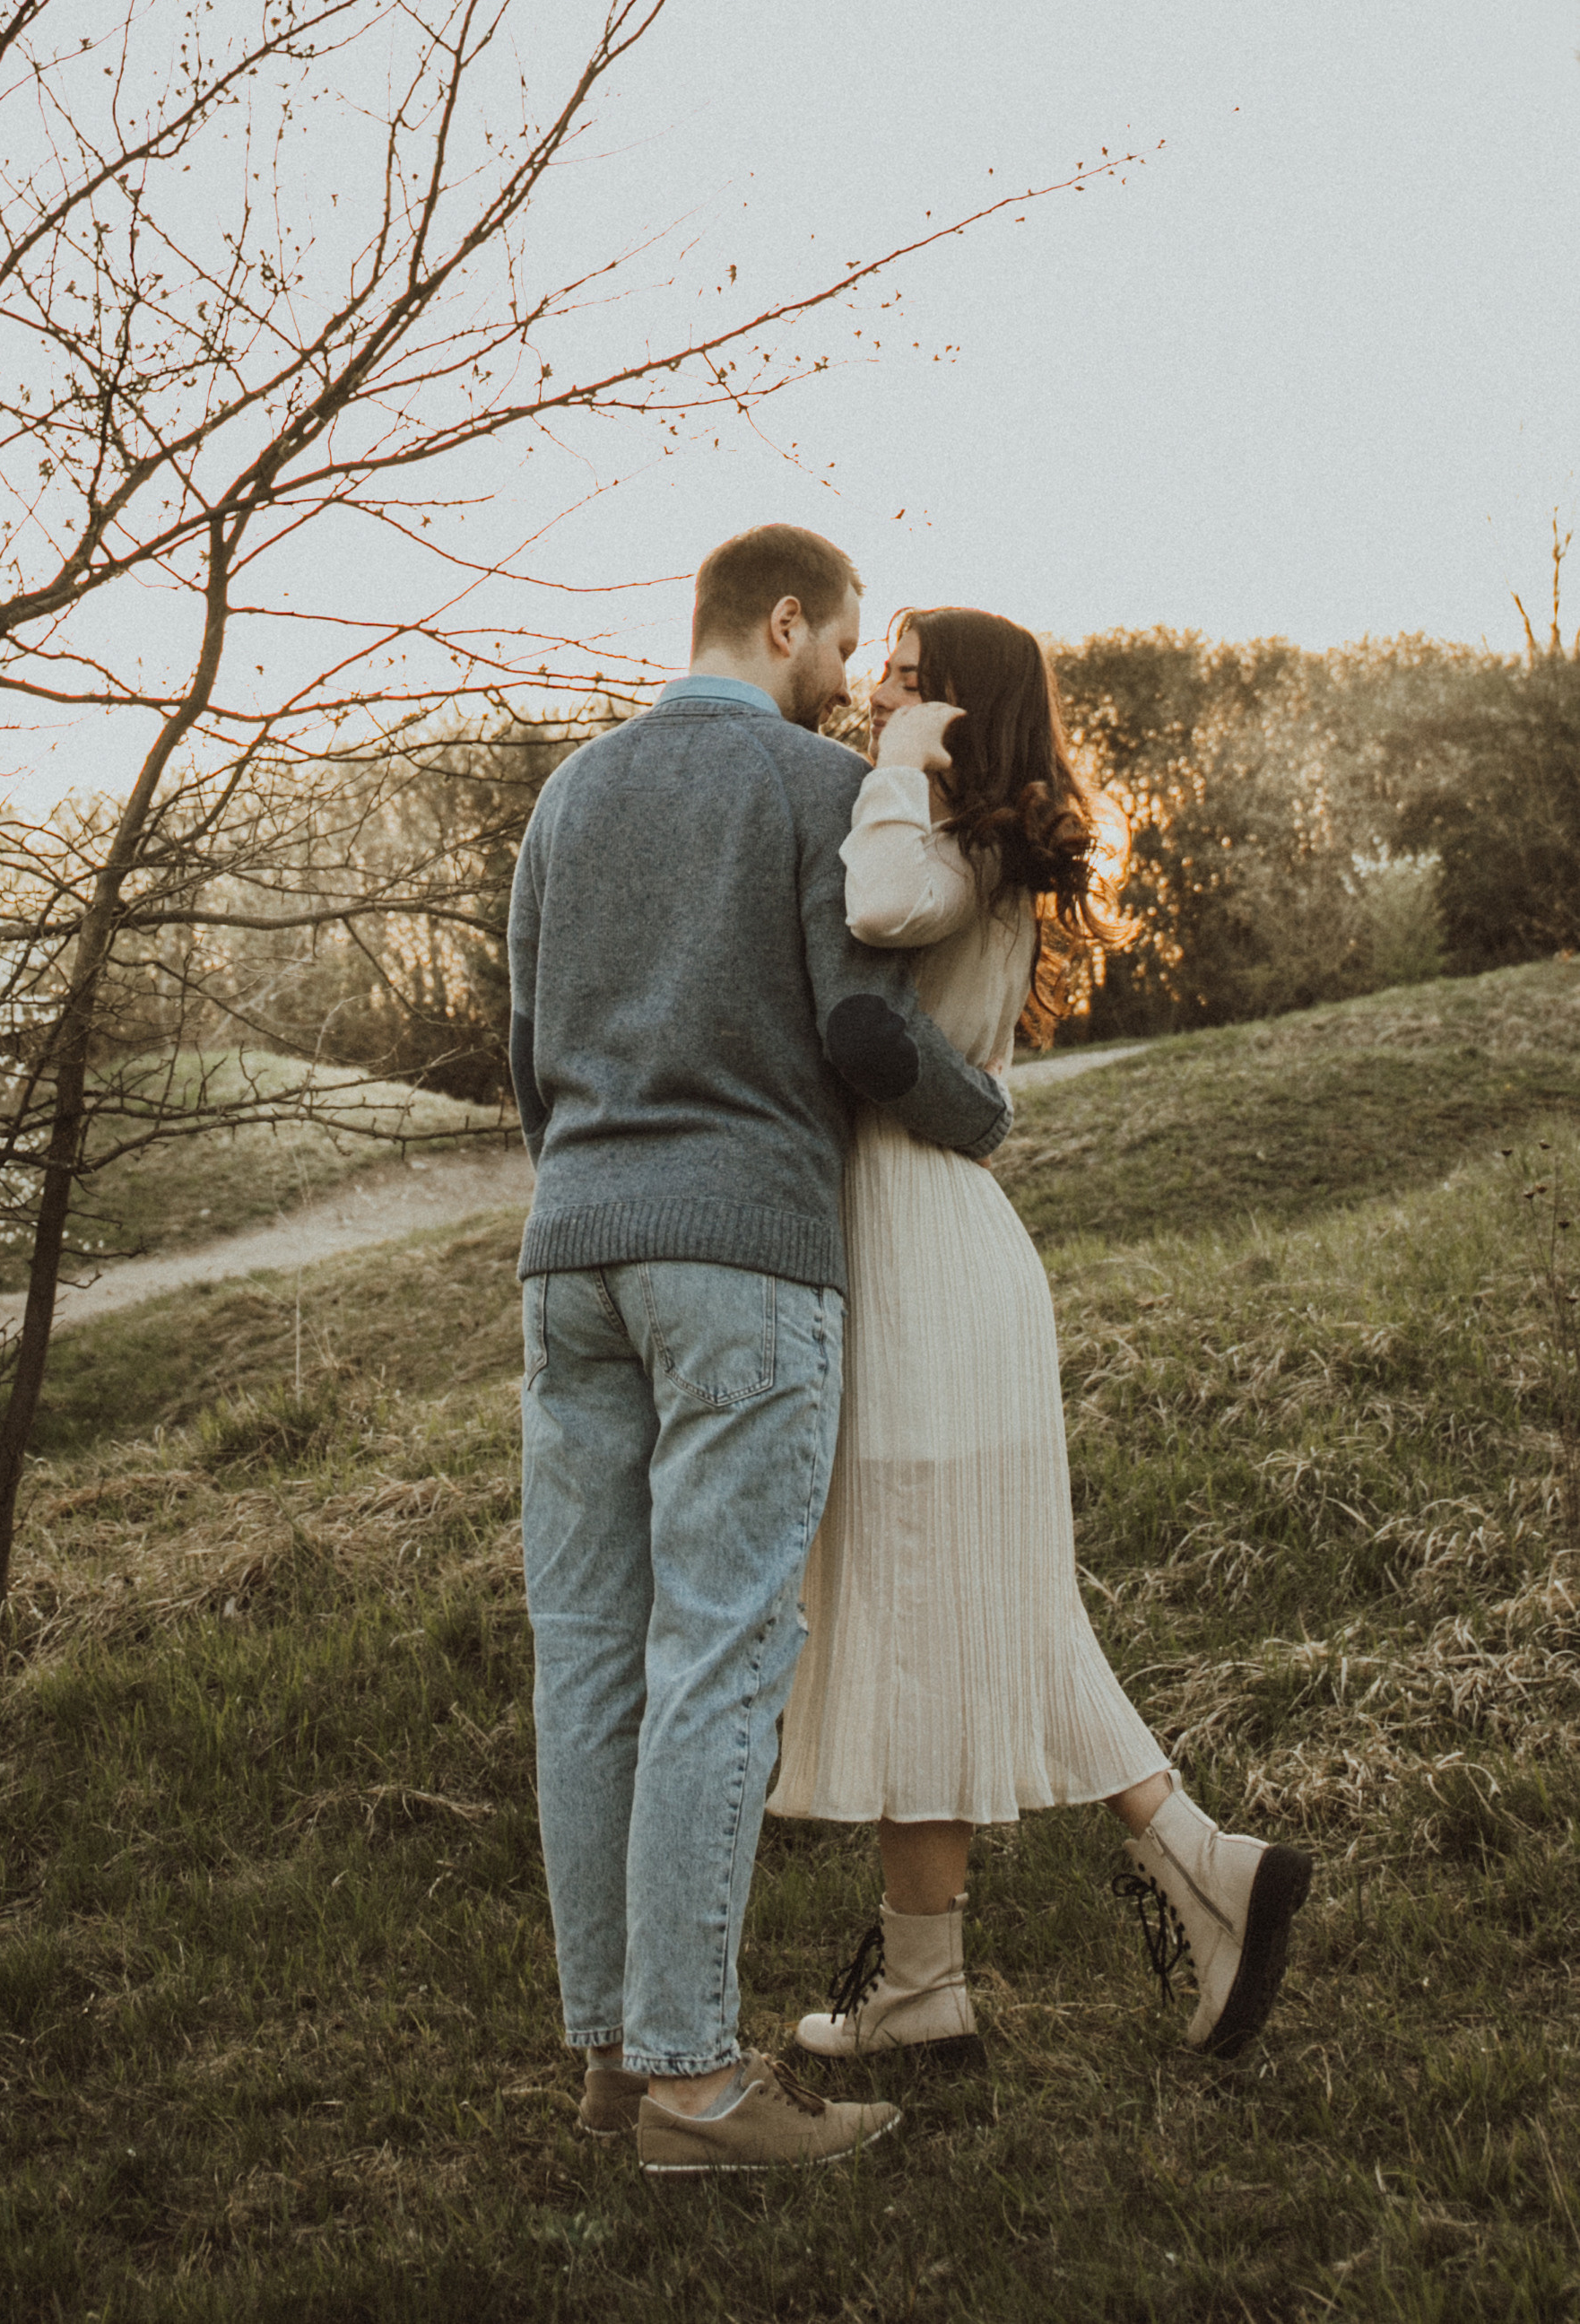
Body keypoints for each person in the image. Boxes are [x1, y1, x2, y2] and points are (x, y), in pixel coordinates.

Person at [508, 523, 1018, 2176]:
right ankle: (694, 2082)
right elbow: (865, 1034)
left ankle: (607, 2055)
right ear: (786, 621)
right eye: (843, 644)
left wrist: (598, 1169)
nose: (852, 681)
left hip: (571, 1255)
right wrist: (984, 1108)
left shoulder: (570, 793)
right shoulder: (812, 790)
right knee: (719, 1656)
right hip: (739, 1260)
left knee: (587, 1655)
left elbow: (528, 1054)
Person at [771, 608, 1313, 2076]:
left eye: (902, 667)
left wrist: (892, 755)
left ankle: (953, 1977)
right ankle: (1159, 1888)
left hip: (920, 1262)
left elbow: (881, 903)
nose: (875, 682)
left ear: (953, 703)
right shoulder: (984, 840)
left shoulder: (947, 844)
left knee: (913, 1610)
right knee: (974, 1612)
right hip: (952, 1253)